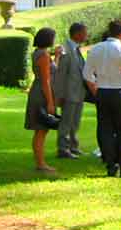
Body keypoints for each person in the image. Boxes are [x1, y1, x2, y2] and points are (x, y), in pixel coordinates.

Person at [83, 19, 121, 178]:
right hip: (120, 91)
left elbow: (86, 73)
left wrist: (96, 86)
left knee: (105, 129)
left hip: (102, 91)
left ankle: (110, 165)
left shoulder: (96, 49)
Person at [25, 27, 61, 174]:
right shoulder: (44, 55)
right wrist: (50, 102)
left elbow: (51, 71)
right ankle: (40, 164)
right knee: (41, 129)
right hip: (42, 93)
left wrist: (57, 56)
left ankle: (40, 162)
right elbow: (46, 80)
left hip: (38, 90)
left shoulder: (39, 53)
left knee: (41, 129)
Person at [52, 22, 88, 159]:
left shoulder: (77, 49)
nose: (86, 36)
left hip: (79, 92)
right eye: (85, 33)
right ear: (77, 34)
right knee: (66, 123)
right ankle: (63, 149)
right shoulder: (65, 50)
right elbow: (60, 75)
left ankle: (73, 146)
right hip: (69, 93)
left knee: (75, 122)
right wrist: (59, 95)